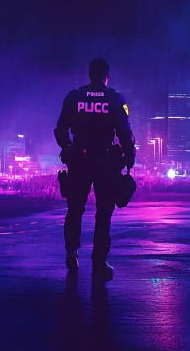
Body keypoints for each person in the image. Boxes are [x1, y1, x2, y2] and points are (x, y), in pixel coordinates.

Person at [54, 58, 135, 281]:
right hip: (105, 163)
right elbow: (125, 133)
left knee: (74, 209)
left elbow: (60, 130)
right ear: (107, 76)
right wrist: (130, 158)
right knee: (103, 214)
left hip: (79, 160)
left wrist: (68, 147)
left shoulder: (74, 97)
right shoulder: (115, 99)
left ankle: (72, 252)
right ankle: (99, 262)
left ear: (90, 75)